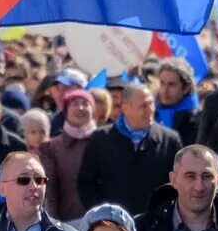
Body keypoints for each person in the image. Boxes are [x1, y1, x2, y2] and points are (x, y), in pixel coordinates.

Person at [77, 83, 183, 218]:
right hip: (113, 225)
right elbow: (86, 184)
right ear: (125, 108)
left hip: (156, 225)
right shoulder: (101, 139)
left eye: (151, 104)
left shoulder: (170, 140)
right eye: (143, 106)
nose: (150, 110)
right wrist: (103, 214)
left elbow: (179, 183)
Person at [37, 88, 97, 222]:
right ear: (66, 110)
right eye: (74, 104)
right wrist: (53, 224)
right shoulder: (52, 148)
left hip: (102, 222)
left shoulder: (104, 142)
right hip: (69, 221)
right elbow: (49, 191)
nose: (80, 108)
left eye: (85, 104)